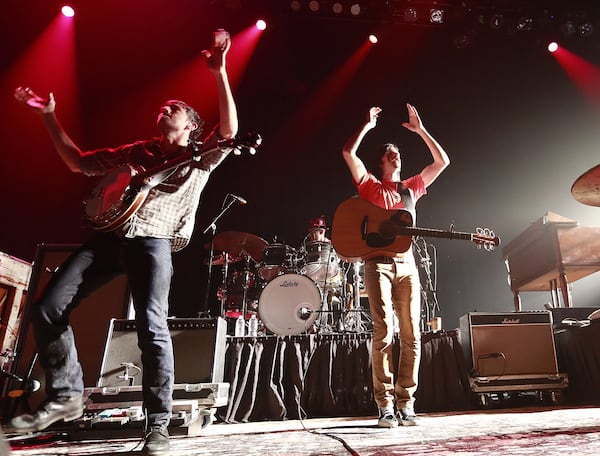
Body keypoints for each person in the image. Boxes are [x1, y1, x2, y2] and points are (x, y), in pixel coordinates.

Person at [8, 28, 238, 455]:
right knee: (46, 306)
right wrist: (48, 116)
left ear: (190, 127)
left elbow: (229, 130)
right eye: (164, 104)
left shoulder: (198, 158)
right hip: (109, 238)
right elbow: (78, 163)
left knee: (153, 327)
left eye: (176, 107)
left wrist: (219, 72)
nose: (165, 106)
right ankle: (67, 394)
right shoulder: (139, 151)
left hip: (153, 243)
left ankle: (158, 424)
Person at [341, 104, 449, 428]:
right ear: (382, 161)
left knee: (412, 334)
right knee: (384, 331)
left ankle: (407, 403)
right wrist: (366, 126)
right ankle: (385, 404)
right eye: (391, 153)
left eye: (399, 152)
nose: (397, 155)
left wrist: (420, 131)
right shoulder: (371, 186)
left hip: (408, 266)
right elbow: (347, 151)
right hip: (377, 265)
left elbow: (443, 162)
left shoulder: (412, 187)